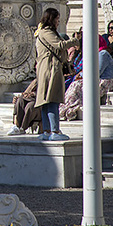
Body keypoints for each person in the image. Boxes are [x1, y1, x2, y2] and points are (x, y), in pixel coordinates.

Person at [34, 7, 79, 142]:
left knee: (46, 100)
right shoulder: (46, 32)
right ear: (51, 19)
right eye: (57, 19)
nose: (58, 22)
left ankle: (48, 130)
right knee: (51, 99)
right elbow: (59, 45)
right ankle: (54, 130)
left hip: (47, 68)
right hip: (50, 69)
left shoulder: (42, 32)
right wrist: (74, 41)